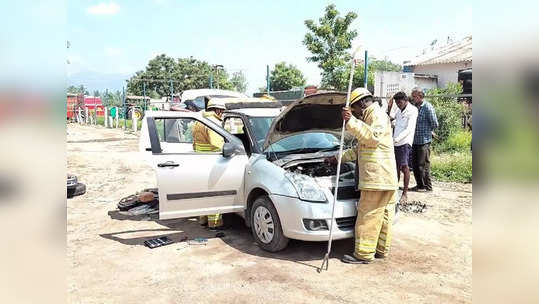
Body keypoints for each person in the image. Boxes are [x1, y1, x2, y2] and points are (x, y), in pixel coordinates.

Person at [326, 88, 398, 264]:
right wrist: (337, 158)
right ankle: (381, 250)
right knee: (383, 215)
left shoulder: (377, 115)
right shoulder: (372, 116)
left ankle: (364, 254)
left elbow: (372, 137)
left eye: (355, 109)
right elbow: (361, 149)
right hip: (385, 178)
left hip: (376, 178)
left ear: (361, 103)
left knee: (368, 215)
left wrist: (351, 121)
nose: (355, 113)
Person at [193, 98, 226, 229]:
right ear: (217, 110)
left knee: (204, 193)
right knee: (214, 194)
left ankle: (203, 219)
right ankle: (215, 223)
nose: (222, 114)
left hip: (201, 161)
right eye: (222, 111)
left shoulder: (199, 120)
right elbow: (217, 144)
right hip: (212, 162)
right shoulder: (213, 122)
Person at [410, 87, 438, 192]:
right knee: (415, 165)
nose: (413, 98)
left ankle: (428, 187)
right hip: (414, 140)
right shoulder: (414, 107)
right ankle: (420, 185)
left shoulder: (427, 107)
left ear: (420, 96)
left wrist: (429, 131)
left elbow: (435, 123)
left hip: (424, 140)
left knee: (424, 165)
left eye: (414, 96)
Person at [391, 92, 418, 203]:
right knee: (395, 167)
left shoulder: (412, 110)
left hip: (405, 142)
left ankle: (405, 193)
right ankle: (394, 190)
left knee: (404, 167)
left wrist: (396, 139)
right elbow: (393, 121)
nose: (398, 104)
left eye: (400, 102)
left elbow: (409, 129)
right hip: (395, 142)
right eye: (396, 103)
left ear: (406, 100)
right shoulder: (398, 110)